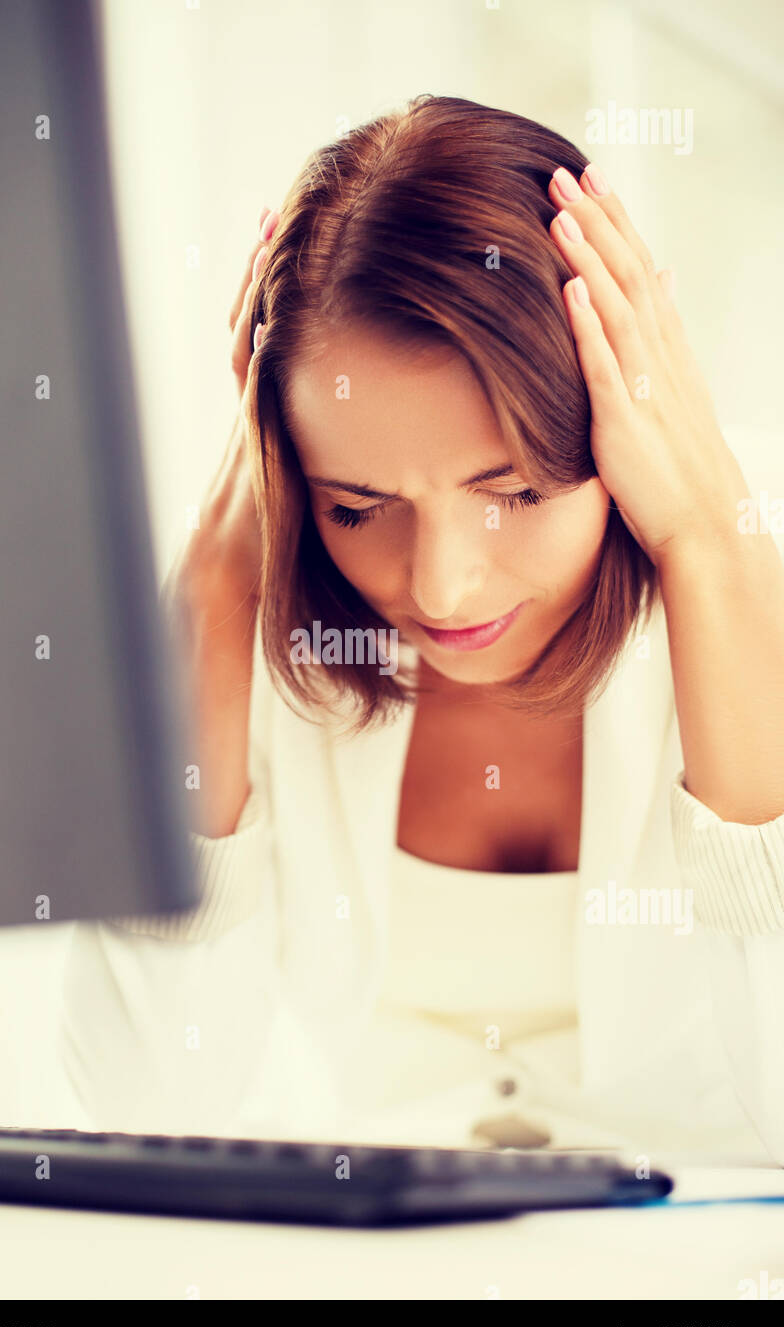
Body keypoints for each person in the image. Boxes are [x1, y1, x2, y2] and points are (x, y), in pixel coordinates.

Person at [61, 96, 784, 1161]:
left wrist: (712, 552)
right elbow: (142, 1108)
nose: (441, 591)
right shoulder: (250, 607)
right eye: (358, 505)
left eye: (518, 493)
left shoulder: (747, 562)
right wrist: (212, 594)